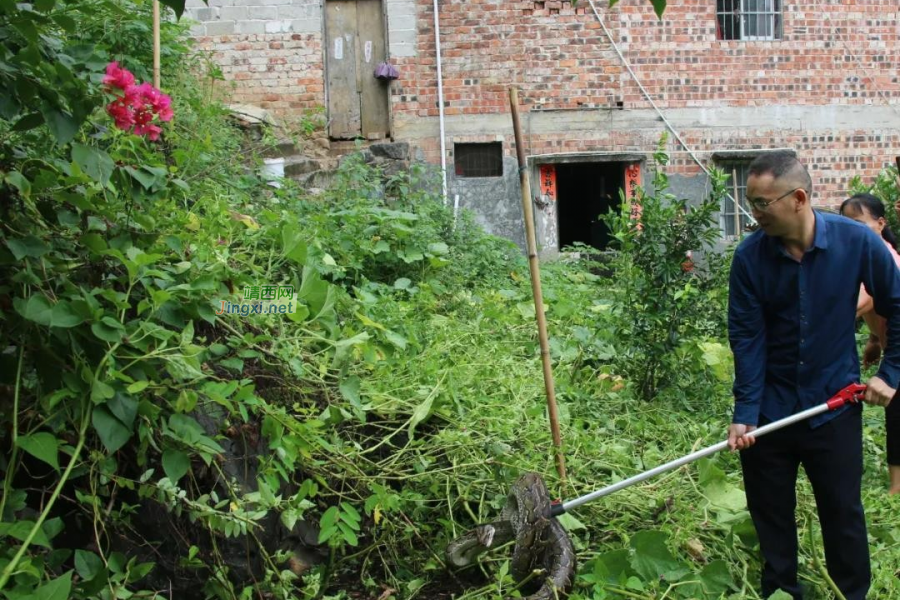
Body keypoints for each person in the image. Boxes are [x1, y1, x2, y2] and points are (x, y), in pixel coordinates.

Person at [726, 151, 900, 600]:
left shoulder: (857, 242)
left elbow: (897, 305)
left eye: (762, 203)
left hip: (834, 407)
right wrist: (746, 413)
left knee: (843, 516)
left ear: (798, 197)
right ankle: (782, 592)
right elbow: (747, 339)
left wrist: (892, 371)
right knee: (771, 520)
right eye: (750, 201)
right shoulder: (749, 258)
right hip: (770, 411)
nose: (754, 213)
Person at [839, 193, 900, 494]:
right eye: (846, 225)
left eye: (859, 224)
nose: (852, 231)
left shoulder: (881, 257)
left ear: (880, 223)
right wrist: (875, 340)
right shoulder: (866, 253)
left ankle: (896, 489)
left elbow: (859, 302)